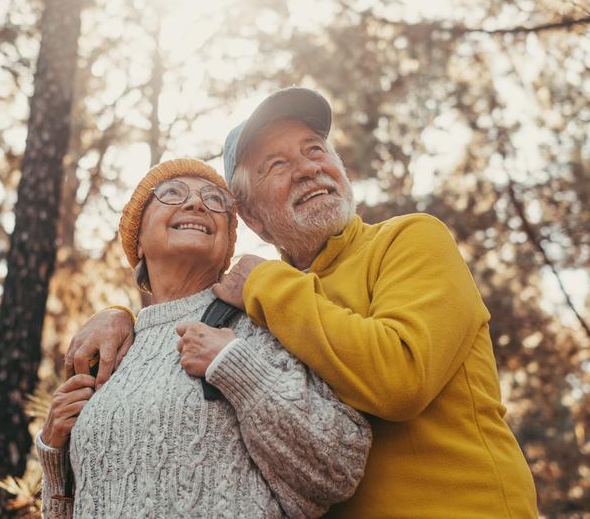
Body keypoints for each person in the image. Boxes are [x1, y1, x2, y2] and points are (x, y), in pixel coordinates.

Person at [67, 88, 540, 518]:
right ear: (251, 217)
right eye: (275, 164)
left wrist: (265, 282)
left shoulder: (408, 240)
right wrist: (121, 318)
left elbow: (401, 378)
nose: (309, 167)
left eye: (315, 150)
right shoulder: (257, 307)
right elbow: (177, 316)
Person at [36, 158, 371, 519]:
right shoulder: (110, 352)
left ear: (227, 242)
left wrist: (238, 367)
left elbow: (339, 467)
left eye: (214, 200)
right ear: (139, 240)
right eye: (172, 194)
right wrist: (54, 460)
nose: (196, 204)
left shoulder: (259, 324)